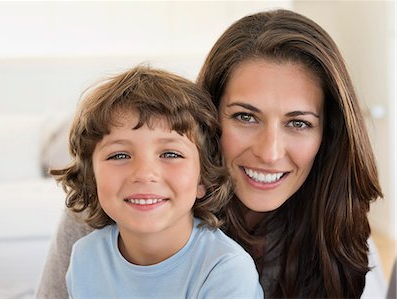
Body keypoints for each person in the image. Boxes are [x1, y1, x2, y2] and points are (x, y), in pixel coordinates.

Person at [36, 9, 382, 298]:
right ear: (207, 120)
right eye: (245, 117)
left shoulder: (336, 230)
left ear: (327, 133)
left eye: (299, 123)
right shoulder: (112, 211)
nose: (270, 152)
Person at [52, 65, 263, 298]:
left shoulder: (225, 269)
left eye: (170, 154)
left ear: (203, 178)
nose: (144, 173)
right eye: (119, 155)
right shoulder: (85, 256)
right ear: (92, 178)